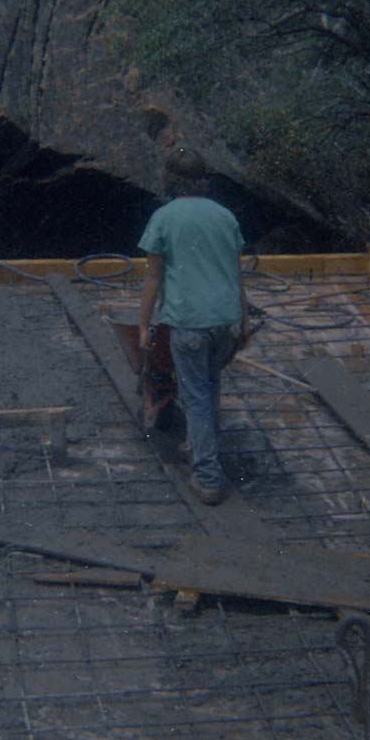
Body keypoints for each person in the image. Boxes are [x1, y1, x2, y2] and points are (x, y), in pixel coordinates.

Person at [137, 146, 251, 506]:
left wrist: (143, 326)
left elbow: (153, 278)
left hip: (188, 323)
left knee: (197, 398)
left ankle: (207, 477)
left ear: (170, 178)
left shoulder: (164, 218)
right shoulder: (224, 216)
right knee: (210, 387)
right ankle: (200, 448)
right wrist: (244, 318)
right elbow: (236, 273)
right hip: (225, 321)